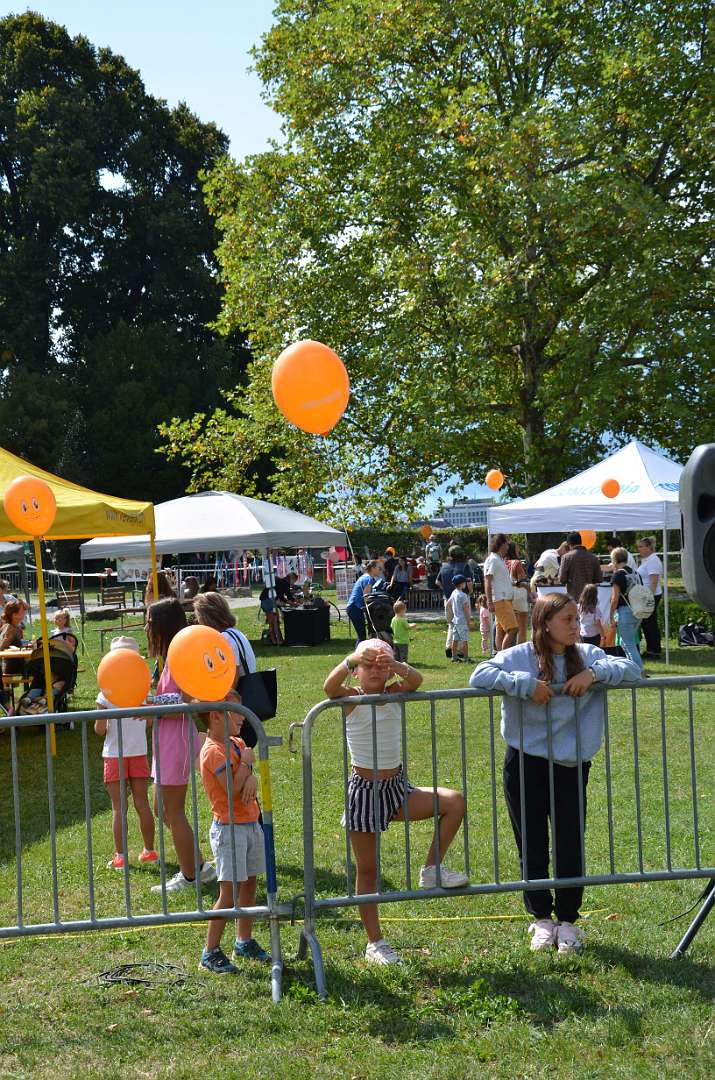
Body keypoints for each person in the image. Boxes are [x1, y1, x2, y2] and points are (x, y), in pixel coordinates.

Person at [469, 592, 641, 953]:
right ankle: (542, 920)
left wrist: (593, 674)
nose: (576, 626)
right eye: (567, 620)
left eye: (576, 619)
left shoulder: (588, 654)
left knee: (569, 842)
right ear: (545, 623)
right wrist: (524, 684)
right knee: (531, 842)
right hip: (525, 762)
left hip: (571, 766)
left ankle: (567, 921)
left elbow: (631, 669)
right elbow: (480, 675)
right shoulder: (520, 655)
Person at [323, 639, 468, 965]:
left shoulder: (395, 693)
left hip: (397, 789)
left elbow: (416, 680)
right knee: (368, 871)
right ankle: (375, 943)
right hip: (364, 793)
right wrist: (351, 659)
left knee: (454, 802)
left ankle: (431, 869)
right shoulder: (352, 698)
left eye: (382, 665)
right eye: (368, 665)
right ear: (357, 672)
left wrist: (396, 664)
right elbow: (329, 687)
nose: (375, 670)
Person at [145, 598, 216, 894]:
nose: (147, 627)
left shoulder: (179, 657)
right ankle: (199, 866)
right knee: (162, 808)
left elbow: (187, 700)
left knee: (172, 810)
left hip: (176, 740)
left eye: (150, 622)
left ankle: (190, 876)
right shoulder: (169, 657)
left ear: (163, 625)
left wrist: (152, 705)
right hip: (166, 740)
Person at [198, 694, 269, 974]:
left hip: (250, 823)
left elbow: (246, 781)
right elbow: (231, 787)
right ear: (216, 716)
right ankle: (210, 951)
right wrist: (247, 767)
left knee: (249, 884)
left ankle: (243, 940)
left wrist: (251, 775)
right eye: (236, 711)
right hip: (229, 829)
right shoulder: (213, 751)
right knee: (228, 893)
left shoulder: (236, 743)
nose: (242, 716)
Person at [94, 636, 158, 870]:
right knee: (142, 803)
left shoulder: (105, 694)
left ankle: (120, 857)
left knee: (118, 807)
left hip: (114, 754)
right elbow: (149, 723)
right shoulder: (145, 692)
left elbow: (100, 730)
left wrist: (104, 713)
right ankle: (149, 851)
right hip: (138, 752)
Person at [193, 591, 258, 746]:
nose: (198, 621)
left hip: (235, 707)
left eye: (199, 616)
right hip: (247, 701)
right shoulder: (236, 633)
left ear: (206, 616)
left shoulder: (225, 639)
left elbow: (231, 680)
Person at [607, 547, 644, 672]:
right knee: (626, 643)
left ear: (614, 560)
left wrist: (611, 616)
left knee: (629, 645)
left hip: (625, 611)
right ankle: (632, 670)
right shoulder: (636, 574)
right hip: (637, 611)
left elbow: (615, 598)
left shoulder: (618, 575)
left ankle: (639, 672)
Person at [436, 547, 473, 658]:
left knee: (451, 624)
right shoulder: (465, 566)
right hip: (462, 598)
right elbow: (469, 582)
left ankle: (449, 647)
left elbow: (437, 581)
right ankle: (460, 650)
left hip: (448, 598)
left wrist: (445, 589)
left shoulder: (444, 566)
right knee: (462, 623)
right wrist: (470, 592)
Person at [483, 535, 518, 652]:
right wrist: (489, 601)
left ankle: (499, 655)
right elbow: (487, 581)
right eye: (506, 544)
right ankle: (505, 657)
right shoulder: (493, 559)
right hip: (500, 599)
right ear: (501, 544)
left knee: (501, 630)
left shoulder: (498, 559)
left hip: (504, 599)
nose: (508, 547)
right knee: (513, 629)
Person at [636, 536, 663, 659]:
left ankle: (654, 651)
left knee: (650, 623)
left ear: (649, 547)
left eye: (641, 546)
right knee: (647, 623)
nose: (639, 549)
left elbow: (654, 582)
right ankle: (651, 649)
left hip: (651, 595)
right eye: (638, 546)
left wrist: (649, 598)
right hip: (646, 595)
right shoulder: (647, 560)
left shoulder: (653, 560)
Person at [558, 532, 602, 601]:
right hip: (590, 597)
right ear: (581, 542)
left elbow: (562, 579)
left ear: (569, 544)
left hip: (574, 597)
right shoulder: (593, 557)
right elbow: (599, 579)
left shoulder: (566, 557)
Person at [346, 560, 381, 643]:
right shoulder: (368, 579)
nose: (380, 570)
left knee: (362, 635)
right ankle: (359, 651)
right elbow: (366, 598)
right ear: (372, 568)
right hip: (355, 607)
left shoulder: (365, 577)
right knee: (361, 636)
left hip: (354, 607)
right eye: (378, 568)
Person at [446, 574, 474, 663]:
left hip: (455, 620)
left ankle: (454, 657)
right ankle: (466, 658)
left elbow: (448, 603)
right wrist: (469, 620)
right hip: (462, 620)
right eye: (465, 582)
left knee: (455, 640)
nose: (466, 584)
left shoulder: (454, 593)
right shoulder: (463, 595)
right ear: (462, 584)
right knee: (464, 640)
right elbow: (466, 609)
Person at [506, 541, 529, 644]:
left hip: (507, 596)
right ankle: (521, 648)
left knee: (511, 628)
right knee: (522, 628)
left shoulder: (503, 562)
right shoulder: (517, 563)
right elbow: (521, 580)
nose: (519, 549)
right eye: (517, 548)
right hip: (519, 596)